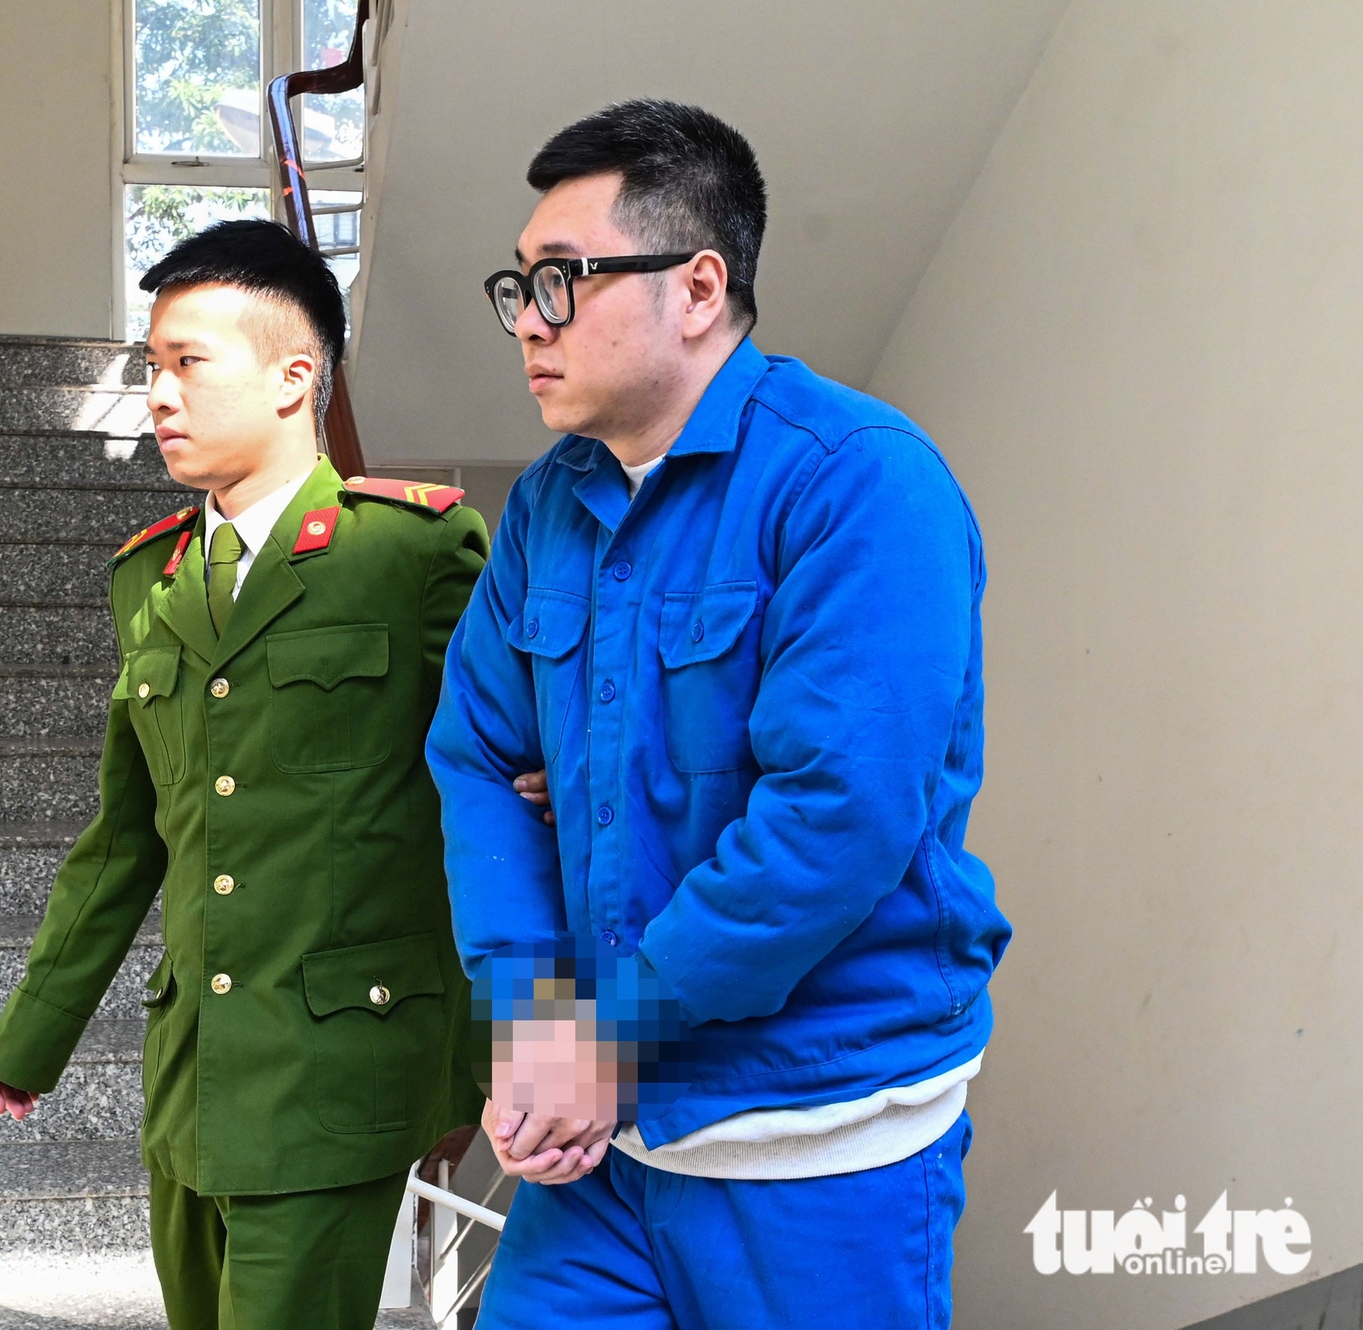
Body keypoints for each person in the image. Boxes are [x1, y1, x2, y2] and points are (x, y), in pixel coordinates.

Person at [425, 100, 1013, 1329]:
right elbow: (476, 754)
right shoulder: (547, 505)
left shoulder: (857, 480)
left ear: (696, 288)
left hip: (817, 1136)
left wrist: (604, 1037)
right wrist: (533, 1018)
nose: (527, 320)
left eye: (561, 280)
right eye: (518, 285)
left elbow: (832, 817)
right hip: (602, 1147)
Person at [0, 219, 489, 1330]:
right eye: (149, 366)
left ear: (293, 377)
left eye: (187, 363)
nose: (157, 396)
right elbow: (127, 835)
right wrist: (34, 1032)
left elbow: (509, 797)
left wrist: (544, 1048)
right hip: (193, 1077)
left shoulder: (412, 553)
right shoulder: (147, 578)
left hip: (339, 1065)